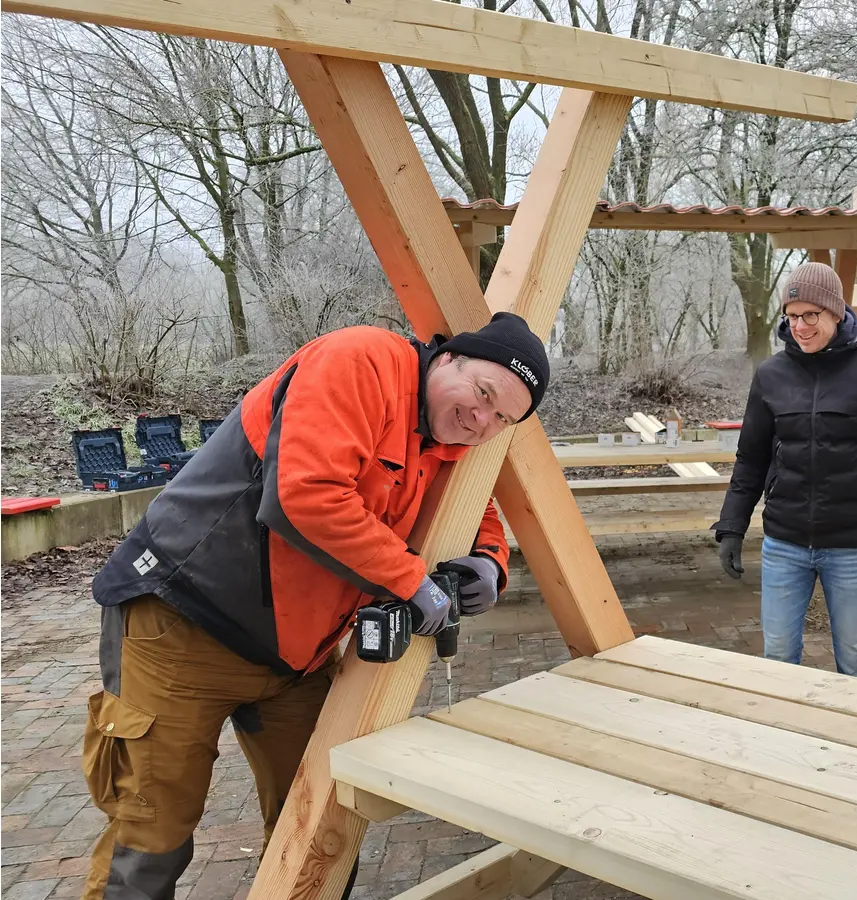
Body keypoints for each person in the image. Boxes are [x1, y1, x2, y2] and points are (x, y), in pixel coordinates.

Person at [82, 312, 551, 900]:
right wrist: (411, 579)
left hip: (293, 658)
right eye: (482, 394)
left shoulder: (446, 440)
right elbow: (305, 495)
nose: (481, 419)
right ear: (449, 358)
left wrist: (489, 562)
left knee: (321, 823)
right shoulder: (361, 362)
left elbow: (473, 510)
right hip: (181, 628)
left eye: (501, 418)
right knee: (152, 835)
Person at [714, 262, 857, 679]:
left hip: (851, 548)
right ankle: (786, 741)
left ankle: (854, 741)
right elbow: (751, 460)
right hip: (785, 544)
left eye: (810, 315)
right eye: (792, 316)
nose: (800, 326)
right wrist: (731, 527)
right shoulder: (771, 375)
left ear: (836, 312)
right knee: (778, 659)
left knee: (853, 660)